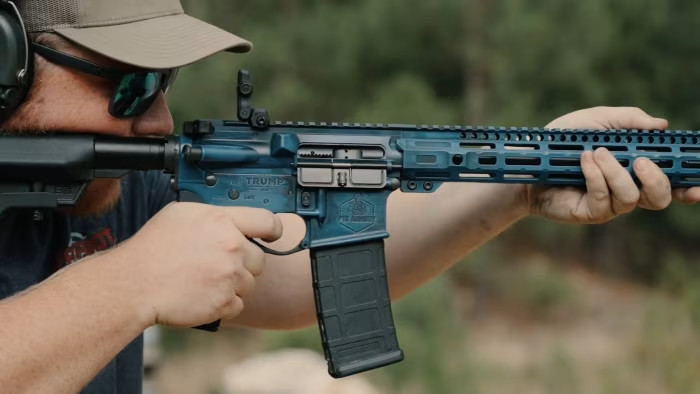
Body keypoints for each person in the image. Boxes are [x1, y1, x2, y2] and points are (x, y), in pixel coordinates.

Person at [1, 0, 698, 393]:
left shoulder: (111, 188)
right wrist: (131, 284)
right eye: (127, 85)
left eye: (164, 85)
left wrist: (523, 176)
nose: (156, 121)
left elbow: (291, 282)